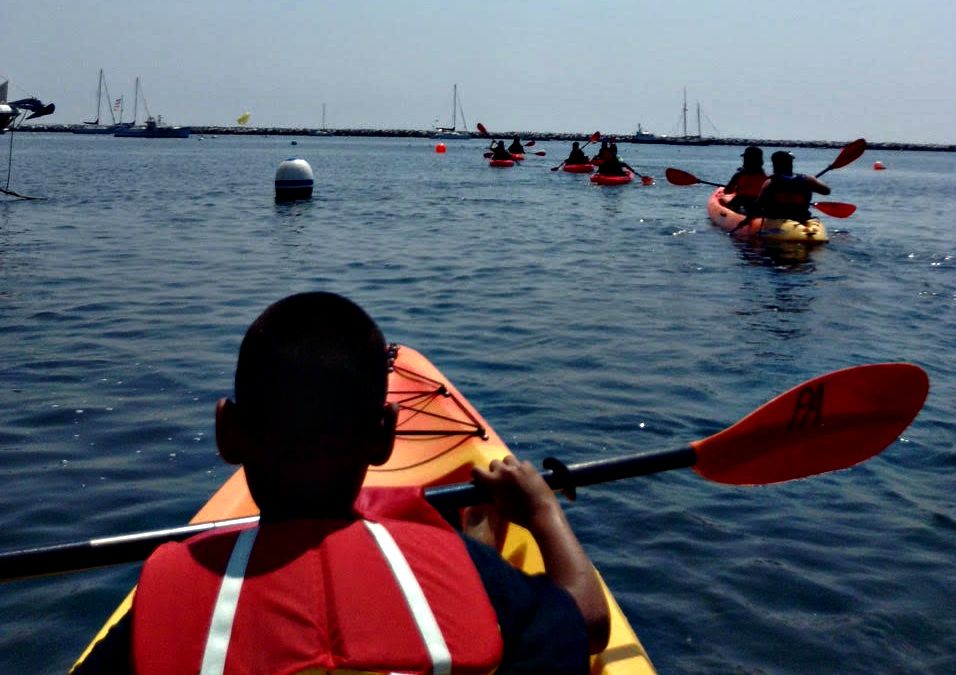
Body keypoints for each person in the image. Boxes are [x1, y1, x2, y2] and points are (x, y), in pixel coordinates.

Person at [104, 292, 609, 674]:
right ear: (385, 436)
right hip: (472, 568)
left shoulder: (165, 600)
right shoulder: (463, 572)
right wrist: (544, 512)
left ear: (228, 434)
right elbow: (587, 622)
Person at [753, 150, 830, 222]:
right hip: (801, 219)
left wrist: (747, 219)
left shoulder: (770, 182)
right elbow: (826, 191)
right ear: (790, 164)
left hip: (777, 219)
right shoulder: (808, 179)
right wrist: (810, 185)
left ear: (774, 165)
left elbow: (758, 205)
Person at [722, 146, 767, 214]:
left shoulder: (739, 175)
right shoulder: (765, 176)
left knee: (724, 202)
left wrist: (736, 188)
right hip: (758, 204)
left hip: (741, 202)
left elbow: (727, 191)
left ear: (746, 159)